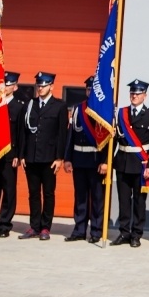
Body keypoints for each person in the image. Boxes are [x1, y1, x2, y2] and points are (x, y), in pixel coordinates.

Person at [19, 72, 68, 241]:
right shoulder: (30, 104)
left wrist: (59, 158)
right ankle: (34, 226)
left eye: (44, 85)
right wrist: (22, 154)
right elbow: (23, 132)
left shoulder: (59, 106)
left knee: (48, 193)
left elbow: (62, 134)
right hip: (31, 156)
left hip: (49, 158)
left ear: (51, 87)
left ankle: (45, 227)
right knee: (33, 193)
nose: (40, 88)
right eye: (38, 85)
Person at [111, 79, 149, 248]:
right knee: (124, 200)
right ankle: (124, 232)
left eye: (138, 94)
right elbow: (115, 140)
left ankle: (136, 234)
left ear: (144, 96)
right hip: (123, 162)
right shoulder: (121, 113)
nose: (134, 96)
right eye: (132, 93)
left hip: (141, 164)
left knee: (139, 201)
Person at [63, 76, 106, 243]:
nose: (90, 92)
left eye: (93, 89)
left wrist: (105, 161)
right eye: (88, 89)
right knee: (80, 197)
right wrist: (67, 158)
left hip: (96, 161)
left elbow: (109, 139)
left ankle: (96, 231)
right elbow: (71, 135)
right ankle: (79, 230)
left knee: (97, 199)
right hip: (79, 160)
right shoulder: (78, 109)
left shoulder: (103, 110)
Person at [0, 71, 25, 238]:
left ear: (15, 87)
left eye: (9, 85)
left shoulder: (19, 106)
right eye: (4, 84)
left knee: (9, 189)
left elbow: (21, 133)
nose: (5, 87)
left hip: (10, 154)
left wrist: (18, 154)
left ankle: (5, 224)